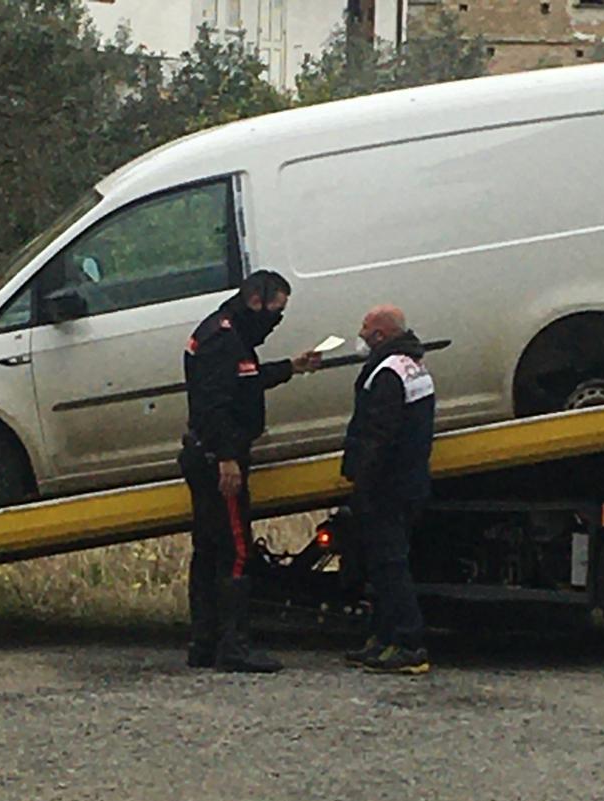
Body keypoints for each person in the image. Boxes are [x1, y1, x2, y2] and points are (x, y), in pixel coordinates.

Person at [180, 270, 320, 672]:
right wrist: (227, 457)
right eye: (276, 311)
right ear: (256, 301)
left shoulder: (227, 333)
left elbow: (245, 380)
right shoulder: (224, 340)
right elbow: (214, 404)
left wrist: (291, 367)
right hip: (217, 459)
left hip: (204, 453)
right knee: (236, 551)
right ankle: (234, 647)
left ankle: (204, 643)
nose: (276, 321)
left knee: (208, 549)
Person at [342, 305, 436, 674]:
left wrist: (358, 476)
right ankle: (383, 639)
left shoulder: (386, 373)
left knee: (389, 564)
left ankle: (410, 644)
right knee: (383, 565)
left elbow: (376, 434)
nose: (361, 334)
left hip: (388, 486)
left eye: (365, 328)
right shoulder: (412, 365)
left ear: (380, 334)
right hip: (409, 480)